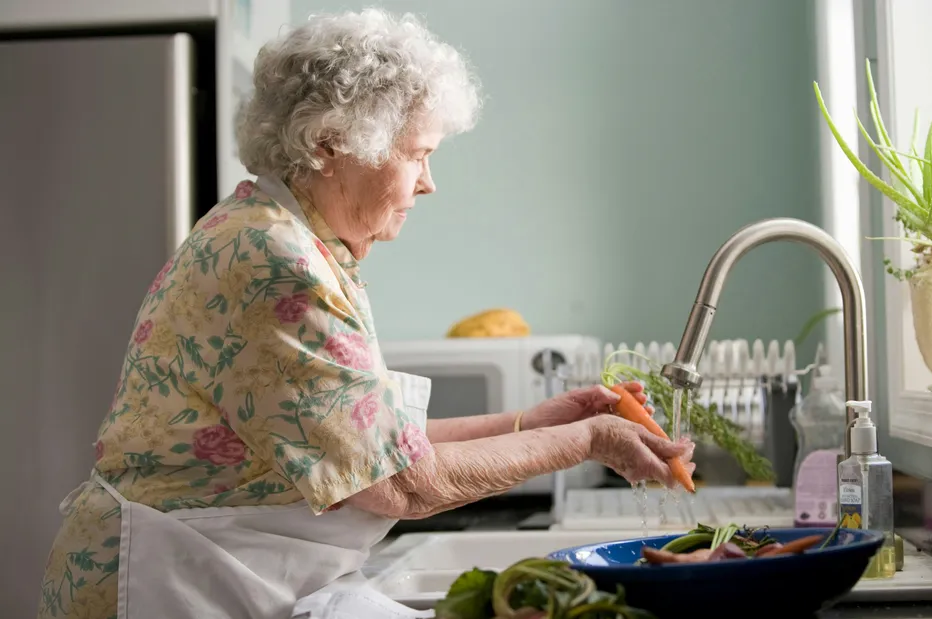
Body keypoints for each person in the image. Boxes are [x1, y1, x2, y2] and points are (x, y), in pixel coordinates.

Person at [37, 8, 695, 619]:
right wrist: (587, 440)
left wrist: (537, 421)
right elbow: (402, 484)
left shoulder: (283, 238)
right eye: (418, 154)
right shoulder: (275, 262)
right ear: (330, 144)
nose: (429, 182)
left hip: (213, 571)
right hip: (167, 585)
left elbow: (372, 442)